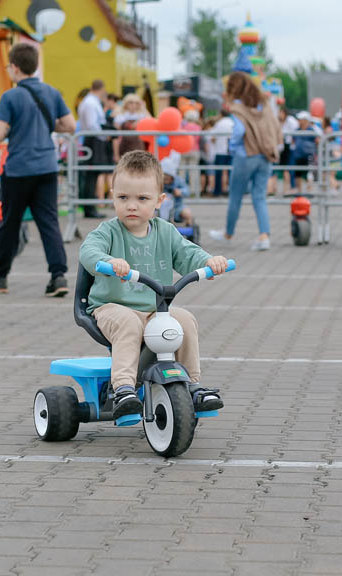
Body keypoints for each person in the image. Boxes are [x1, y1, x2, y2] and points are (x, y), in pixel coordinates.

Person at [78, 150, 227, 419]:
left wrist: (209, 261)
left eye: (142, 199)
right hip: (111, 307)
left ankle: (193, 385)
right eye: (123, 198)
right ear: (112, 195)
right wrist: (109, 261)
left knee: (184, 320)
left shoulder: (165, 231)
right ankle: (122, 388)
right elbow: (88, 253)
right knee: (128, 323)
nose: (131, 205)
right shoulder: (108, 232)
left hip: (153, 310)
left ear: (159, 201)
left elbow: (188, 253)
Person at [0, 43, 77, 295]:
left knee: (10, 223)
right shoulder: (51, 92)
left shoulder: (10, 96)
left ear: (14, 67)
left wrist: (16, 127)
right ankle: (58, 277)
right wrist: (45, 126)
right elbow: (70, 125)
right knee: (49, 223)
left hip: (18, 170)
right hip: (47, 167)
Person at [209, 71, 281, 249]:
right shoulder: (263, 105)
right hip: (265, 156)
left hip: (245, 155)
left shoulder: (238, 108)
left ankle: (228, 234)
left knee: (235, 196)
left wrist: (233, 148)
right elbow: (276, 127)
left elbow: (239, 131)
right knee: (259, 197)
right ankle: (264, 236)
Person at [77, 79, 110, 218]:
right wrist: (104, 136)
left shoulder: (88, 101)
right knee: (91, 174)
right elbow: (92, 125)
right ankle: (89, 209)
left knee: (92, 175)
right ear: (101, 89)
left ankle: (89, 208)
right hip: (93, 140)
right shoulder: (91, 103)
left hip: (92, 139)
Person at [159, 152, 194, 226]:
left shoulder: (178, 181)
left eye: (167, 178)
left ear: (172, 176)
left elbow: (187, 190)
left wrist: (180, 192)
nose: (166, 181)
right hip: (160, 207)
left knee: (187, 213)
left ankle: (190, 229)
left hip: (177, 207)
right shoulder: (157, 182)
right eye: (164, 178)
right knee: (150, 214)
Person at [291, 111, 318, 195]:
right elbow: (293, 141)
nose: (298, 121)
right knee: (297, 174)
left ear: (305, 120)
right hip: (298, 155)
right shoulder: (296, 130)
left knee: (309, 173)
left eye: (300, 119)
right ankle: (299, 191)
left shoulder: (311, 130)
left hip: (308, 156)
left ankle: (309, 191)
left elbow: (317, 140)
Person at [209, 110, 234, 197]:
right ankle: (231, 191)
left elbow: (212, 137)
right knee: (231, 172)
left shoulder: (219, 123)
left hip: (220, 151)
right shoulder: (232, 123)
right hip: (230, 151)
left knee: (218, 173)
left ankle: (217, 191)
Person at [278, 106, 299, 194]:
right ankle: (286, 188)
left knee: (290, 168)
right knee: (284, 169)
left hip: (290, 147)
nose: (280, 115)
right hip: (281, 147)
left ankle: (292, 187)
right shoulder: (279, 121)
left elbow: (296, 131)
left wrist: (293, 141)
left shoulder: (291, 121)